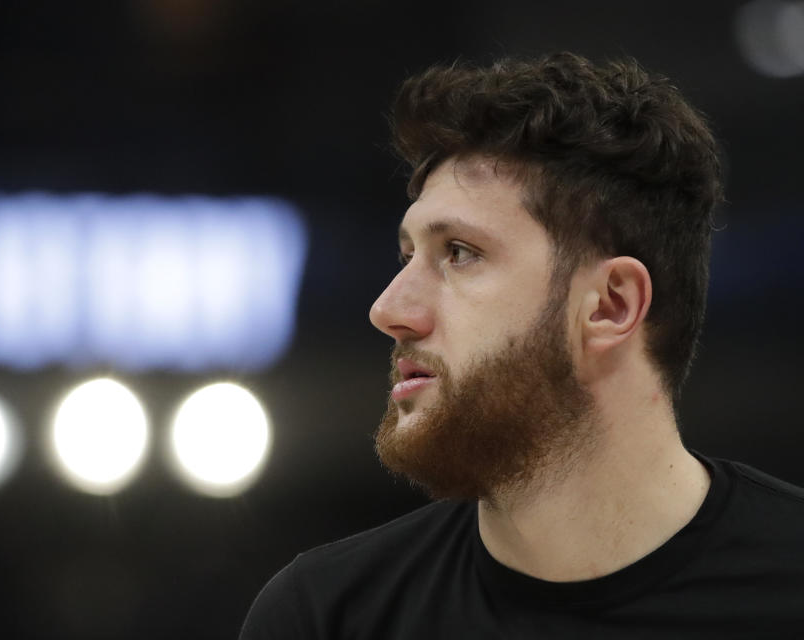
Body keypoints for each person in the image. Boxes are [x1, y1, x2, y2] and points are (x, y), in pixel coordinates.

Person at [239, 52, 804, 638]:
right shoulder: (326, 616)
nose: (388, 311)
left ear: (611, 305)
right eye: (408, 257)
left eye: (459, 253)